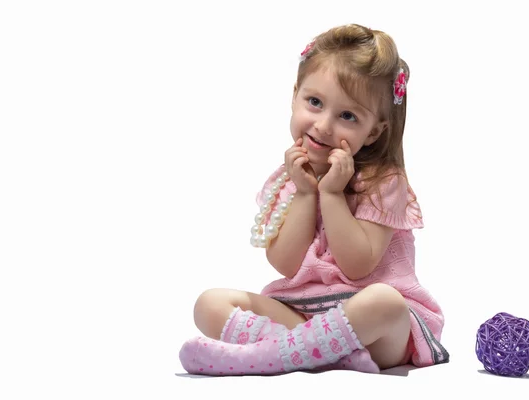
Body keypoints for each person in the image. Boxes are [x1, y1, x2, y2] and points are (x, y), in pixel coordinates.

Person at [179, 23, 449, 376]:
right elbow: (287, 265)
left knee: (384, 301)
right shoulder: (290, 177)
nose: (323, 125)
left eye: (348, 116)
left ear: (375, 131)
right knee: (209, 303)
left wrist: (332, 194)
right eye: (315, 102)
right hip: (305, 313)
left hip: (373, 329)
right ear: (295, 96)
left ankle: (265, 357)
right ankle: (319, 353)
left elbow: (357, 266)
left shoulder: (382, 181)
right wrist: (306, 192)